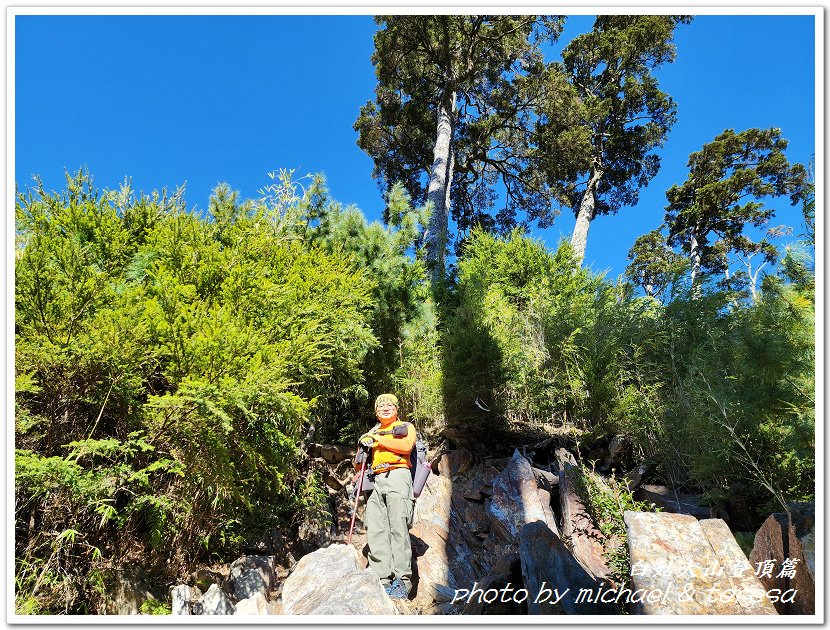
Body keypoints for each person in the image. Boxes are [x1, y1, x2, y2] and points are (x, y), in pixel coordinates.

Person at [355, 393, 415, 600]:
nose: (385, 408)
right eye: (381, 406)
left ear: (397, 409)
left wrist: (378, 439)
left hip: (397, 474)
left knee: (398, 526)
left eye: (390, 405)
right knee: (376, 529)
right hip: (374, 480)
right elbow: (358, 464)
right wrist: (363, 447)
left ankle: (402, 581)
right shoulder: (370, 432)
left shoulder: (405, 426)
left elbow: (406, 447)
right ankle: (381, 578)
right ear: (376, 411)